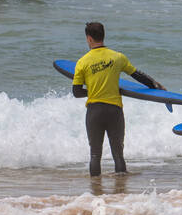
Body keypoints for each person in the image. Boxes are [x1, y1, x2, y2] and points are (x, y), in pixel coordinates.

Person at [70, 21, 165, 176]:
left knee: (95, 155)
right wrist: (156, 85)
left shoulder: (82, 62)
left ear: (89, 38)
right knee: (118, 154)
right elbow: (138, 75)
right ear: (103, 36)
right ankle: (121, 193)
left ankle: (95, 192)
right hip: (114, 111)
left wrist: (94, 90)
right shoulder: (118, 57)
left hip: (95, 111)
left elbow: (76, 92)